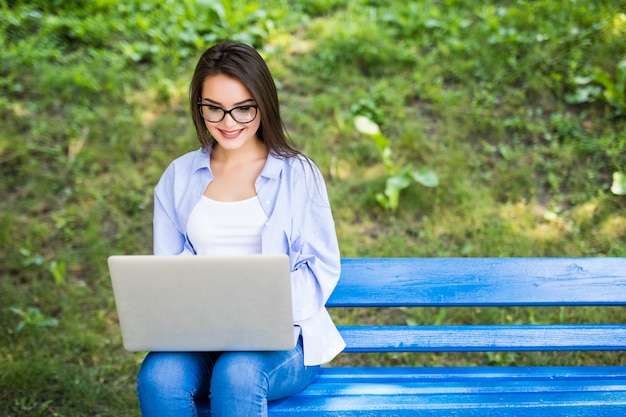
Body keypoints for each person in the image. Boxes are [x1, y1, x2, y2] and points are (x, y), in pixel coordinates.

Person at [136, 40, 345, 416]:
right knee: (159, 379)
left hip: (285, 338)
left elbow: (321, 267)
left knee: (237, 373)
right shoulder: (178, 176)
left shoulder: (298, 174)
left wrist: (260, 315)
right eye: (213, 109)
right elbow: (167, 272)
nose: (228, 123)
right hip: (201, 333)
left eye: (242, 109)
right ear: (198, 107)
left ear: (263, 104)